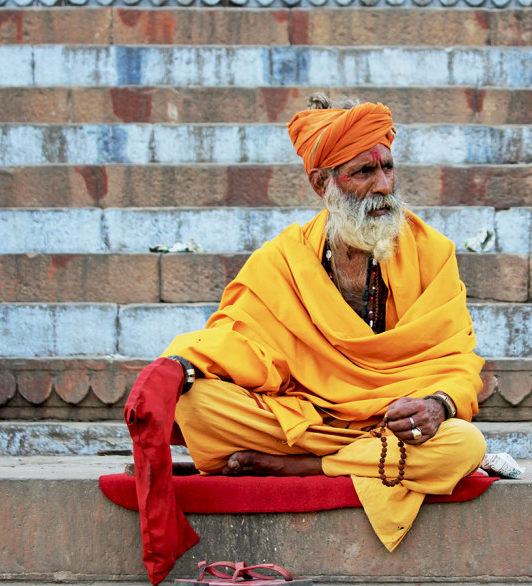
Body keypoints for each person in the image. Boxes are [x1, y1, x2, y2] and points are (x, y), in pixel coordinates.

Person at [161, 94, 487, 551]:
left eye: (388, 168)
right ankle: (336, 457)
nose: (383, 187)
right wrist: (183, 366)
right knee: (195, 404)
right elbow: (239, 341)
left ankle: (302, 466)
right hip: (306, 420)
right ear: (322, 183)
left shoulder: (432, 252)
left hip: (387, 425)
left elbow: (457, 358)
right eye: (364, 172)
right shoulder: (283, 260)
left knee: (465, 444)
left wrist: (437, 405)